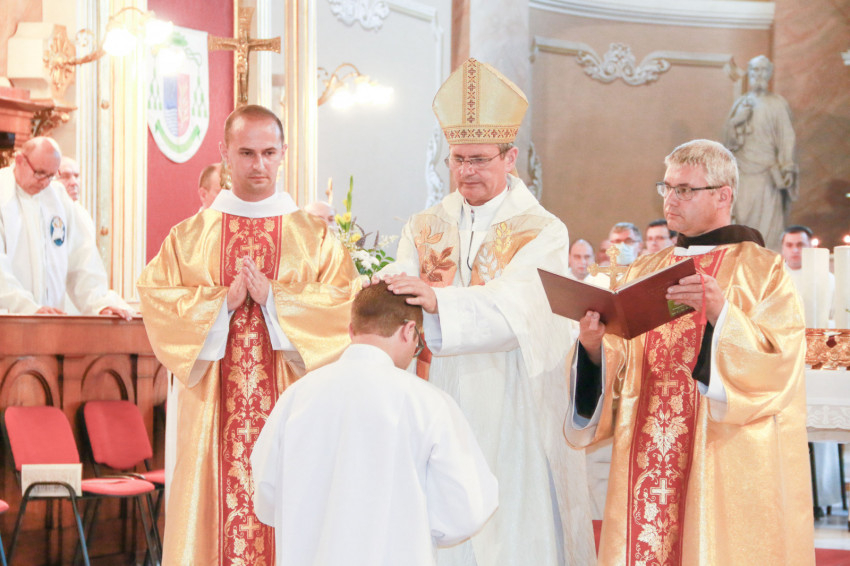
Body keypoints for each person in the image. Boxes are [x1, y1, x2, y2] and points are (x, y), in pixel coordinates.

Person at [378, 58, 594, 566]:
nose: (466, 171)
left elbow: (520, 307)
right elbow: (403, 289)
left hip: (510, 394)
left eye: (478, 159)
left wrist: (439, 300)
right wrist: (387, 290)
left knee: (508, 524)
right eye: (457, 160)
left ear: (510, 158)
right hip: (436, 385)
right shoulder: (424, 225)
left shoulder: (542, 230)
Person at [566, 139, 814, 565]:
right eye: (667, 188)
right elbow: (621, 360)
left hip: (722, 454)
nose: (671, 199)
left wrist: (721, 314)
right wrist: (592, 347)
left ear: (723, 195)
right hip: (648, 450)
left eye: (684, 190)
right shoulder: (644, 270)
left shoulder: (762, 270)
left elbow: (781, 362)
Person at [137, 104, 360, 566]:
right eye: (246, 153)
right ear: (224, 153)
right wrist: (222, 303)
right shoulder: (189, 236)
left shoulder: (314, 237)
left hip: (293, 407)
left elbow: (345, 304)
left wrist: (276, 299)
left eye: (268, 153)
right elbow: (157, 299)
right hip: (210, 413)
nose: (259, 165)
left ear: (283, 153)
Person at [251, 282, 499, 566]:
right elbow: (467, 509)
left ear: (351, 330)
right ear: (409, 331)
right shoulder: (428, 403)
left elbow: (267, 497)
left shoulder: (295, 397)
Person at [0, 137, 132, 319]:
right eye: (40, 173)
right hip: (8, 322)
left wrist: (99, 303)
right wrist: (27, 307)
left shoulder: (58, 198)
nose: (45, 183)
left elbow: (82, 259)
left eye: (51, 176)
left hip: (51, 322)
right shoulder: (3, 194)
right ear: (20, 160)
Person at [780, 225, 839, 517]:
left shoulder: (827, 280)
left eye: (800, 245)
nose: (794, 250)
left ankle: (821, 495)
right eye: (789, 245)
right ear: (782, 248)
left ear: (810, 247)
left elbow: (836, 318)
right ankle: (787, 499)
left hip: (817, 364)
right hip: (782, 365)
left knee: (821, 426)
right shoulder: (773, 280)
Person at [724, 55, 797, 251]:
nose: (759, 74)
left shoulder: (777, 103)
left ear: (770, 73)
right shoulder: (741, 103)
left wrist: (787, 166)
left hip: (767, 173)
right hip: (743, 170)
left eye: (763, 70)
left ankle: (765, 259)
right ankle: (744, 257)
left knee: (768, 221)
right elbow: (728, 142)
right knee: (743, 216)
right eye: (755, 69)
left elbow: (786, 136)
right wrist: (737, 121)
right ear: (749, 72)